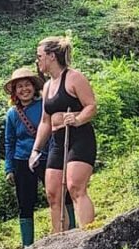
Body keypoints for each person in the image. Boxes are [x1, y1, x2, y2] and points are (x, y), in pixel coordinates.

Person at [30, 37, 97, 230]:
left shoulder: (74, 77)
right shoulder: (47, 86)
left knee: (75, 187)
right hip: (57, 141)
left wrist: (77, 119)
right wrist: (36, 150)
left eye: (39, 56)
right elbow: (45, 121)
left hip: (79, 136)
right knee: (52, 193)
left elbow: (91, 106)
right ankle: (58, 239)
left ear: (51, 56)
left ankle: (88, 235)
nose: (37, 60)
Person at [4, 67, 76, 247]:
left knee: (61, 194)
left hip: (48, 157)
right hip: (22, 161)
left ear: (34, 87)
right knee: (25, 203)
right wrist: (9, 168)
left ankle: (72, 231)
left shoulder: (44, 105)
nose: (24, 89)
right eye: (19, 86)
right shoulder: (12, 114)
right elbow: (9, 142)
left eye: (27, 85)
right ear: (14, 92)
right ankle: (27, 245)